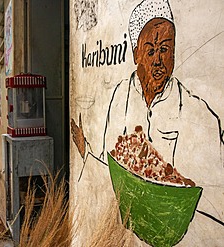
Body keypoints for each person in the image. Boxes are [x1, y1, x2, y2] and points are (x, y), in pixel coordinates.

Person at [71, 0, 224, 243]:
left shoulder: (198, 113)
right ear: (136, 54)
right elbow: (108, 167)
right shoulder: (121, 96)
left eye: (164, 49)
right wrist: (86, 151)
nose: (158, 61)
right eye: (150, 51)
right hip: (127, 231)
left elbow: (214, 203)